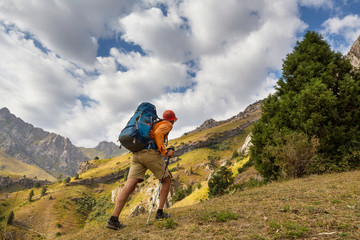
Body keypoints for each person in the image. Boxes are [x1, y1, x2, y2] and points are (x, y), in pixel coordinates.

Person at [106, 109, 178, 230]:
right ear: (172, 120)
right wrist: (165, 152)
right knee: (166, 180)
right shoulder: (167, 124)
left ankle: (113, 219)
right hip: (149, 154)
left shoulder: (152, 124)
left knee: (129, 186)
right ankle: (160, 213)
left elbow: (154, 134)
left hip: (136, 154)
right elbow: (158, 134)